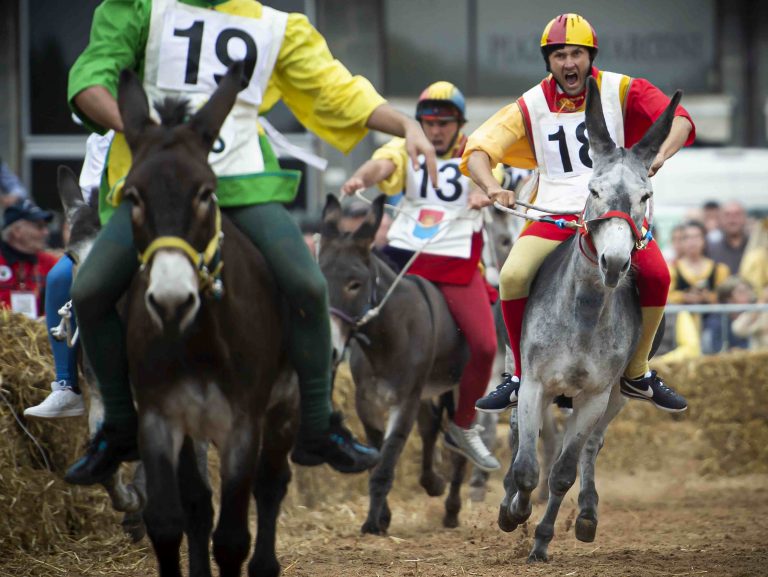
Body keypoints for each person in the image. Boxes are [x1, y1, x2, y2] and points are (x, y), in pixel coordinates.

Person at [63, 0, 439, 486]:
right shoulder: (138, 8)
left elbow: (337, 91)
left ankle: (320, 423)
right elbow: (91, 75)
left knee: (307, 284)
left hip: (242, 181)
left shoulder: (276, 25)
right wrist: (141, 133)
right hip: (157, 182)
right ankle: (117, 425)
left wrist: (407, 125)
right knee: (90, 290)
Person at [464, 13, 694, 414]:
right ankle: (518, 375)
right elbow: (480, 148)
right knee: (513, 275)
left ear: (590, 56)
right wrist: (491, 186)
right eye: (559, 56)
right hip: (554, 214)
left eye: (576, 54)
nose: (568, 63)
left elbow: (681, 121)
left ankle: (637, 373)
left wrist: (656, 157)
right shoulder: (530, 103)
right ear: (548, 61)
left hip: (617, 214)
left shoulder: (624, 88)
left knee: (658, 275)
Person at [340, 81, 500, 471]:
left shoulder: (477, 151)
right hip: (402, 256)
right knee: (346, 300)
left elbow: (498, 177)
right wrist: (364, 178)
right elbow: (385, 164)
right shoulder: (407, 145)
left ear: (459, 124)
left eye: (445, 122)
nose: (436, 129)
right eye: (429, 121)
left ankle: (463, 425)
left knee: (485, 346)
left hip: (457, 262)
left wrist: (487, 191)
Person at [24, 131, 113, 419]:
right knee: (59, 278)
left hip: (156, 223)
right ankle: (66, 384)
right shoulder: (101, 138)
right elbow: (88, 198)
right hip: (107, 226)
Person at [0, 199, 57, 319]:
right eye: (39, 227)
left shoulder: (51, 264)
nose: (46, 232)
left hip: (39, 334)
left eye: (46, 227)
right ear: (17, 231)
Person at [668, 221, 730, 306]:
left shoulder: (719, 269)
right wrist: (684, 296)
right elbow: (667, 296)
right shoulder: (672, 268)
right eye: (687, 237)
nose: (692, 241)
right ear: (682, 242)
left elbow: (724, 296)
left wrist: (707, 297)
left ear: (704, 240)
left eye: (696, 237)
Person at [707, 201, 749, 274]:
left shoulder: (757, 247)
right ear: (720, 219)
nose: (732, 220)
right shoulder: (711, 250)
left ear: (744, 218)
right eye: (727, 215)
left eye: (737, 214)